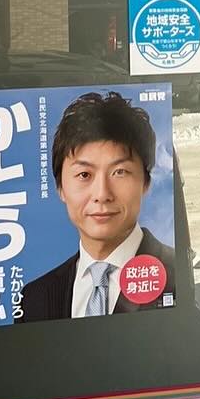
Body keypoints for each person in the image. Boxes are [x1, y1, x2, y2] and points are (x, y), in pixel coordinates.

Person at [17, 91, 179, 323]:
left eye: (119, 172)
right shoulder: (34, 299)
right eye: (84, 174)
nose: (102, 194)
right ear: (60, 188)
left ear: (146, 182)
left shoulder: (177, 278)